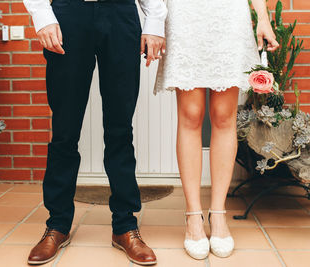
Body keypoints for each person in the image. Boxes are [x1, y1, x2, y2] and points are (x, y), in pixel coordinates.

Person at [23, 0, 167, 265]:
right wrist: (42, 14)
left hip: (121, 14)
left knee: (120, 129)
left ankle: (124, 226)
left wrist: (155, 21)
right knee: (64, 130)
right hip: (69, 15)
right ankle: (57, 224)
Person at [154, 0, 279, 260]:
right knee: (190, 114)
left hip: (228, 14)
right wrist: (154, 21)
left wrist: (263, 18)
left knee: (224, 116)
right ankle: (193, 216)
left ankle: (218, 214)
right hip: (185, 14)